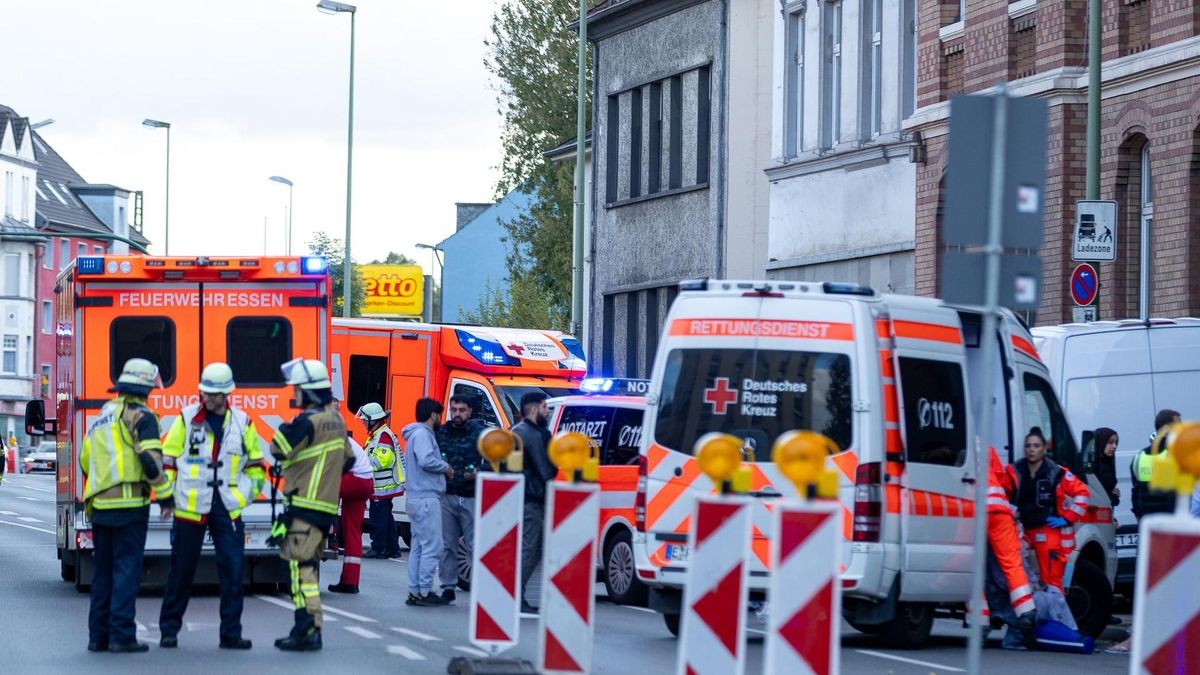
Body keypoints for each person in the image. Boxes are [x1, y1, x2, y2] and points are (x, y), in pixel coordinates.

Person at [158, 363, 265, 650]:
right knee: (181, 571)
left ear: (226, 394)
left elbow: (257, 469)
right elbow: (168, 460)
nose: (207, 398)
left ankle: (231, 634)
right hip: (189, 508)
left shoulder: (243, 422)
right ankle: (168, 630)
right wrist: (166, 497)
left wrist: (240, 499)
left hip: (227, 508)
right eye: (204, 392)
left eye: (213, 394)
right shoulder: (185, 418)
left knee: (232, 571)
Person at [81, 358, 174, 653]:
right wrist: (166, 495)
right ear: (146, 387)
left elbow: (85, 460)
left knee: (103, 572)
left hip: (100, 506)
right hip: (130, 504)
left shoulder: (102, 416)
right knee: (126, 571)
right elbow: (150, 459)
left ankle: (98, 637)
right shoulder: (142, 417)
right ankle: (122, 636)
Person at [270, 358, 355, 651]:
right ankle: (310, 629)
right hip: (325, 508)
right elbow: (350, 460)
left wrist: (283, 427)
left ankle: (306, 631)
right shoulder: (337, 420)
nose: (294, 393)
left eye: (297, 388)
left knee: (300, 572)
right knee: (311, 570)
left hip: (303, 507)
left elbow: (278, 450)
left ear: (308, 391)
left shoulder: (306, 421)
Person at [1009, 427, 1090, 592]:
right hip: (1022, 528)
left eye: (1036, 446)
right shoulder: (1015, 471)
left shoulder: (1057, 473)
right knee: (1012, 567)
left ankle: (1056, 614)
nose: (1032, 449)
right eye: (1029, 446)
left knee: (1052, 579)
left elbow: (1082, 493)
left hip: (1047, 528)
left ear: (1045, 449)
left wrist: (1067, 518)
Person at [984, 447, 1037, 650]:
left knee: (971, 565)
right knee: (1012, 563)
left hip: (972, 509)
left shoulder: (957, 442)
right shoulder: (986, 448)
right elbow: (1003, 479)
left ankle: (978, 621)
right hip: (999, 510)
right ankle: (1026, 612)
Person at [402, 397, 452, 606]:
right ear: (433, 415)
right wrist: (445, 467)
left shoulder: (414, 434)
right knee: (433, 546)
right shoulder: (423, 434)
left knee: (419, 547)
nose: (440, 419)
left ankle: (415, 590)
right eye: (439, 414)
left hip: (415, 497)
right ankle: (424, 591)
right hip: (425, 498)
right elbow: (425, 460)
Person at [437, 394, 485, 604]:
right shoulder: (442, 432)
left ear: (470, 411)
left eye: (462, 410)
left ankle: (482, 584)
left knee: (477, 544)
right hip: (447, 495)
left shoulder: (480, 434)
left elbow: (495, 460)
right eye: (454, 409)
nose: (457, 414)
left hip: (472, 494)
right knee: (448, 545)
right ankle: (448, 586)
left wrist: (480, 472)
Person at [511, 391, 556, 615]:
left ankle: (516, 593)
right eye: (545, 407)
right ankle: (515, 595)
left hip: (519, 497)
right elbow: (545, 470)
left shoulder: (515, 431)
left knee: (532, 549)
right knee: (530, 549)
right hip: (532, 500)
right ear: (534, 409)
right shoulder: (535, 435)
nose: (547, 412)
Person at [328, 433, 374, 593]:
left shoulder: (332, 440)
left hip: (354, 479)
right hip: (366, 481)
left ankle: (328, 530)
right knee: (353, 532)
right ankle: (350, 581)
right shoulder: (343, 439)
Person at [358, 403, 403, 559]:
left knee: (378, 518)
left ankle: (378, 548)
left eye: (365, 419)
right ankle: (393, 548)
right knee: (387, 517)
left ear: (373, 420)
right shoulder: (379, 434)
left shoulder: (383, 435)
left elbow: (382, 461)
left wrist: (362, 460)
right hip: (382, 486)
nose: (363, 422)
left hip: (382, 486)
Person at [1131, 409, 1181, 522]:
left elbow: (1135, 491)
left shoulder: (1139, 457)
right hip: (1172, 524)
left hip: (1149, 524)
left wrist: (1140, 517)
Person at [1092, 427, 1120, 507]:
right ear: (1100, 443)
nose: (1114, 446)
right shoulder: (1092, 466)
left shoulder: (1107, 462)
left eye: (1116, 443)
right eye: (1110, 442)